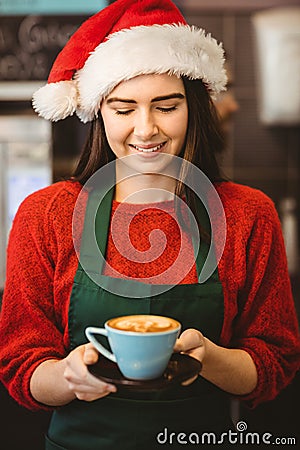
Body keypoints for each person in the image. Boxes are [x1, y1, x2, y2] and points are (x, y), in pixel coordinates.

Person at [0, 1, 299, 449]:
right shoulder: (47, 216)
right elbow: (21, 364)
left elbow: (274, 361)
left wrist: (210, 359)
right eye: (124, 109)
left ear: (194, 107)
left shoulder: (247, 214)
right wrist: (68, 376)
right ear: (99, 112)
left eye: (166, 106)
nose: (146, 129)